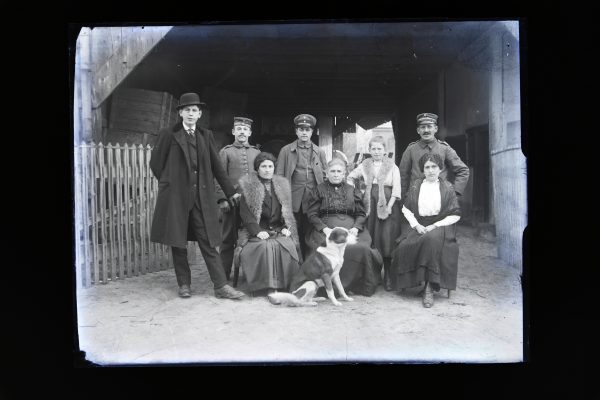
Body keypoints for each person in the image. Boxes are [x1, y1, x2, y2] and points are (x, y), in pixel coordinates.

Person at [149, 92, 245, 300]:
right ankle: (184, 284)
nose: (191, 114)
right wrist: (170, 184)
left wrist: (231, 192)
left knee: (209, 241)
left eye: (195, 110)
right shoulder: (168, 134)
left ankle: (220, 286)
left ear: (200, 114)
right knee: (178, 241)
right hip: (176, 198)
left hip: (202, 198)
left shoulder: (205, 135)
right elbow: (156, 164)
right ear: (180, 113)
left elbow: (217, 167)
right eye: (187, 110)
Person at [301, 158, 381, 297]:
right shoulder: (318, 190)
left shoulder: (352, 190)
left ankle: (357, 285)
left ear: (344, 174)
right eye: (333, 171)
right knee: (326, 250)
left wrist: (356, 227)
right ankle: (327, 288)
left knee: (361, 248)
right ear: (326, 173)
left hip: (350, 228)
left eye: (339, 171)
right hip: (326, 228)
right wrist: (324, 229)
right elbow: (312, 214)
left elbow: (361, 213)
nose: (336, 174)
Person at [391, 153, 461, 308]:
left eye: (434, 167)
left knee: (430, 240)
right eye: (427, 167)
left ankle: (430, 287)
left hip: (441, 225)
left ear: (440, 168)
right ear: (423, 170)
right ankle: (412, 282)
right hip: (420, 224)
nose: (430, 170)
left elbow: (455, 214)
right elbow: (406, 209)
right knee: (403, 245)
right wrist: (416, 225)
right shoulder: (416, 185)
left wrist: (435, 226)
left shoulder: (447, 187)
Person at [235, 152, 300, 294]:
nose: (267, 169)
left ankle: (287, 284)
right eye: (263, 166)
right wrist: (257, 231)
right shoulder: (248, 186)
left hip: (276, 229)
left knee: (288, 244)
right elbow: (246, 215)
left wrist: (285, 228)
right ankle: (266, 286)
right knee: (265, 247)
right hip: (255, 231)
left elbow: (285, 212)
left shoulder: (282, 185)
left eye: (270, 166)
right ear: (257, 169)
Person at [347, 136, 401, 291]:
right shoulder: (364, 165)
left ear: (385, 150)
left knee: (387, 239)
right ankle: (374, 275)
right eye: (373, 149)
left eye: (379, 149)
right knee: (373, 238)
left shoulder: (392, 166)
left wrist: (390, 206)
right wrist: (357, 194)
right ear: (369, 150)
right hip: (370, 203)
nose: (376, 152)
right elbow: (350, 177)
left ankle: (388, 275)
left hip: (387, 204)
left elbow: (397, 189)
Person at [275, 114, 328, 258]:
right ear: (296, 132)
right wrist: (281, 200)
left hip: (312, 199)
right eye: (301, 129)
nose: (304, 132)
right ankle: (295, 264)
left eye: (307, 129)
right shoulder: (286, 151)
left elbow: (324, 176)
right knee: (293, 232)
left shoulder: (319, 151)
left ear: (312, 132)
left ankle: (309, 263)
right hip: (292, 199)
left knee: (311, 233)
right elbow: (279, 177)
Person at [215, 117, 261, 280]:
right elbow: (219, 177)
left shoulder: (256, 153)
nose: (242, 132)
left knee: (252, 236)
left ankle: (251, 274)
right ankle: (223, 275)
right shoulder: (226, 152)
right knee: (227, 239)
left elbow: (260, 177)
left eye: (245, 129)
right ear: (234, 132)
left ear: (250, 132)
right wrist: (222, 199)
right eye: (239, 129)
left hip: (250, 205)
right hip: (231, 203)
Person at [398, 113, 470, 201]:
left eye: (429, 126)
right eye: (423, 127)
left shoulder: (444, 149)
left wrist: (455, 192)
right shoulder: (410, 150)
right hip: (417, 200)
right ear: (418, 130)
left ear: (435, 129)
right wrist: (404, 198)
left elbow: (463, 170)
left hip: (440, 200)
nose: (426, 130)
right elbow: (402, 176)